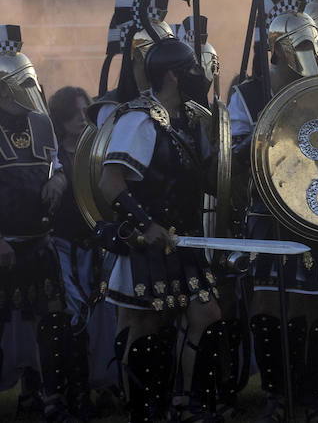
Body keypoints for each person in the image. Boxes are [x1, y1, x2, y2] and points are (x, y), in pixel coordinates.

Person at [228, 0, 318, 423]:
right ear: (275, 48)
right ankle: (280, 395)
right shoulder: (246, 94)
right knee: (268, 305)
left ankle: (316, 398)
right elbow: (236, 155)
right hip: (268, 212)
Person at [99, 34, 225, 422]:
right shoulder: (138, 119)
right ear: (172, 75)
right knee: (147, 328)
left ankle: (188, 403)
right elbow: (110, 182)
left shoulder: (187, 118)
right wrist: (146, 223)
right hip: (147, 244)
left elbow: (208, 179)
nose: (198, 75)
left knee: (207, 316)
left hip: (183, 240)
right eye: (190, 70)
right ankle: (145, 410)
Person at [0, 27, 77, 423]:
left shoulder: (41, 122)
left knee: (51, 323)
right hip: (3, 246)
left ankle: (49, 398)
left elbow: (58, 168)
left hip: (39, 242)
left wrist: (56, 181)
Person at [47, 85, 119, 417]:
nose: (81, 117)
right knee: (75, 314)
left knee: (104, 315)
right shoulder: (53, 156)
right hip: (65, 245)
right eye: (74, 112)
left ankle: (104, 385)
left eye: (84, 110)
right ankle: (75, 393)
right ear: (60, 119)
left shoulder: (98, 151)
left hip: (99, 246)